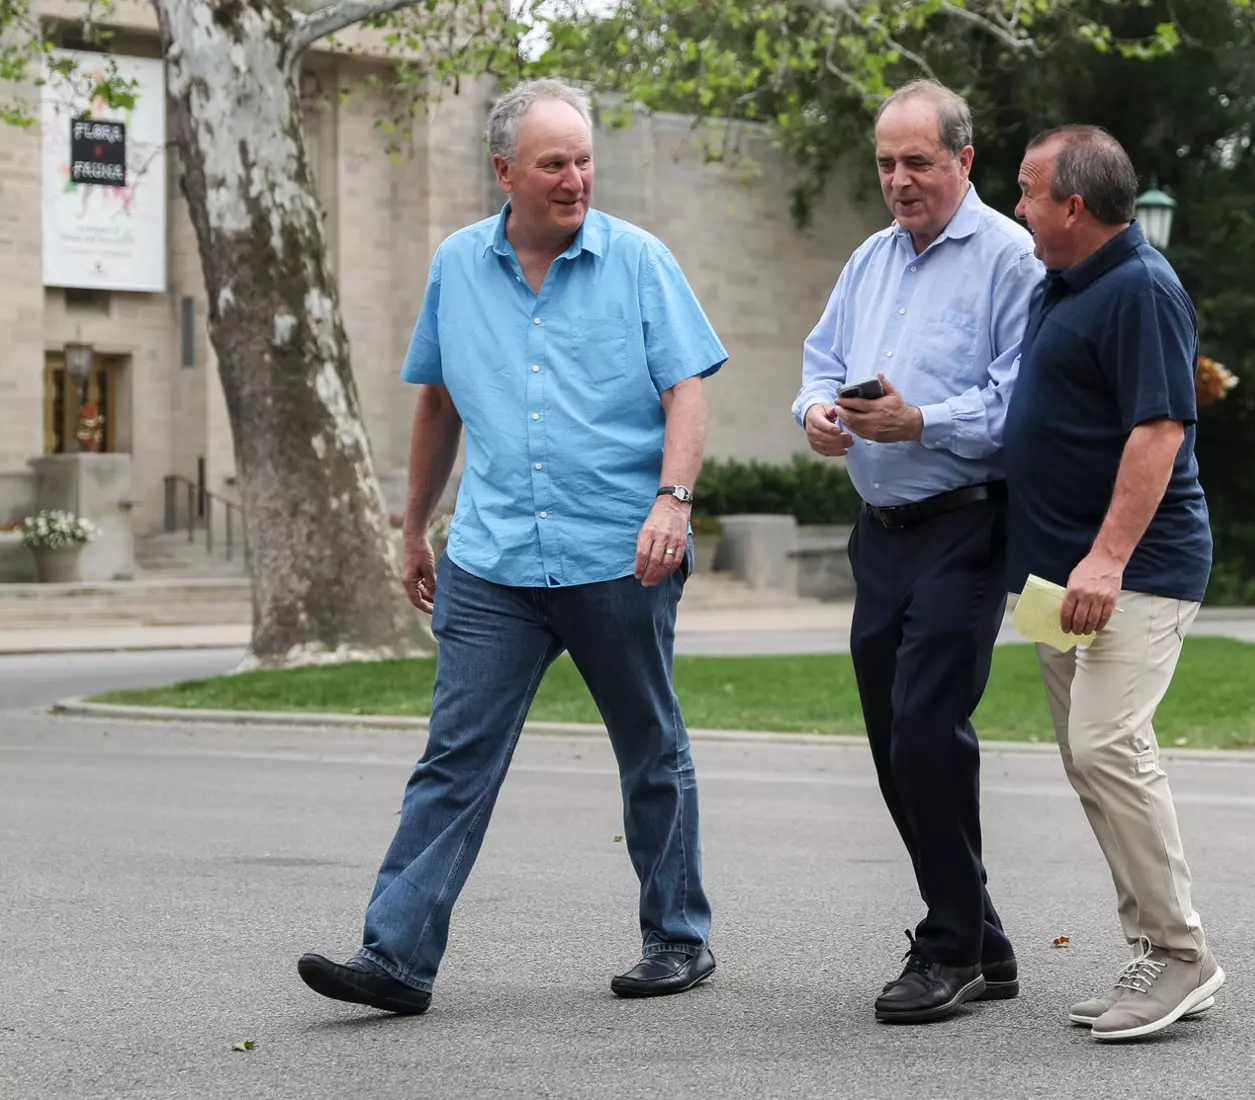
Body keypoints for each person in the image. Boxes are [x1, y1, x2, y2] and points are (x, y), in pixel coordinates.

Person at [296, 78, 726, 1014]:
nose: (575, 179)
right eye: (553, 163)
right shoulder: (457, 264)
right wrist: (413, 527)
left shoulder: (640, 261)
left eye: (583, 160)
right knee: (454, 756)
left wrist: (673, 502)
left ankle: (678, 938)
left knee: (649, 746)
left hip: (621, 552)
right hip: (491, 562)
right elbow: (438, 400)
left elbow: (685, 389)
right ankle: (395, 959)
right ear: (506, 173)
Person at [792, 79, 1043, 1024]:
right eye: (887, 163)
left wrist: (920, 421)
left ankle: (948, 949)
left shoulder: (1011, 259)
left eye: (918, 162)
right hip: (880, 537)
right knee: (893, 744)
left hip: (968, 527)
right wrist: (819, 413)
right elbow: (819, 363)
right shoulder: (869, 259)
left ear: (964, 161)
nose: (899, 181)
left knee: (926, 731)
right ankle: (982, 934)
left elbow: (1022, 408)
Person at [1003, 124, 1225, 1041]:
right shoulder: (1061, 285)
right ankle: (1149, 947)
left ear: (1073, 205)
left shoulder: (1141, 288)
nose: (1016, 207)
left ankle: (1182, 955)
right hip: (1058, 579)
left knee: (1107, 750)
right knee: (1085, 764)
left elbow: (1159, 431)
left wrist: (1105, 559)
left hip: (1132, 571)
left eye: (1026, 190)